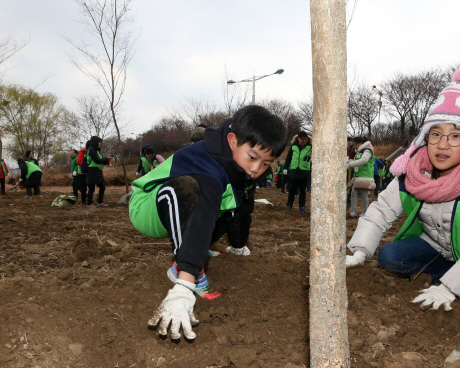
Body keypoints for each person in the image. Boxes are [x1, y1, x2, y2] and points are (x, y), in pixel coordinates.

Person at [346, 66, 460, 315]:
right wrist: (360, 250)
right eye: (436, 134)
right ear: (425, 137)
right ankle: (459, 276)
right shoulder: (414, 173)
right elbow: (381, 210)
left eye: (456, 136)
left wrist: (448, 289)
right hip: (439, 248)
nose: (442, 145)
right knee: (390, 257)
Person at [128, 105, 286, 340]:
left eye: (265, 163)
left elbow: (243, 207)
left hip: (189, 208)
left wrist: (238, 244)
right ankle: (182, 267)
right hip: (149, 207)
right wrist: (186, 282)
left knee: (228, 206)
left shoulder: (244, 168)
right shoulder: (206, 162)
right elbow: (202, 213)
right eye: (252, 158)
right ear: (233, 141)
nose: (256, 169)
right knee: (193, 190)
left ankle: (196, 250)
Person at [347, 136, 375, 217]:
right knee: (353, 193)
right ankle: (353, 211)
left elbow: (363, 160)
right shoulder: (359, 152)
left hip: (365, 175)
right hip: (358, 175)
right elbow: (358, 161)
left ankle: (365, 211)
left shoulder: (367, 151)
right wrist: (351, 161)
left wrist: (350, 164)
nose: (354, 146)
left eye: (355, 144)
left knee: (364, 194)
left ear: (359, 144)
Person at [284, 131, 311, 212]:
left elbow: (316, 156)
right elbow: (288, 158)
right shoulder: (293, 147)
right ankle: (289, 204)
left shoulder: (310, 147)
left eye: (306, 139)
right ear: (298, 139)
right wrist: (285, 168)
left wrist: (310, 158)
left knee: (303, 191)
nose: (304, 141)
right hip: (294, 171)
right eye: (302, 139)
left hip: (304, 172)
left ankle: (302, 206)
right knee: (292, 190)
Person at [86, 136, 113, 208]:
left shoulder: (96, 150)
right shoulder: (91, 150)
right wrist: (106, 158)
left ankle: (100, 202)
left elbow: (100, 161)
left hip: (97, 170)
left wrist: (107, 161)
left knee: (102, 187)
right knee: (91, 188)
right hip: (92, 170)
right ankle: (89, 203)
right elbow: (97, 160)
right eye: (99, 142)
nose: (99, 144)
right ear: (95, 142)